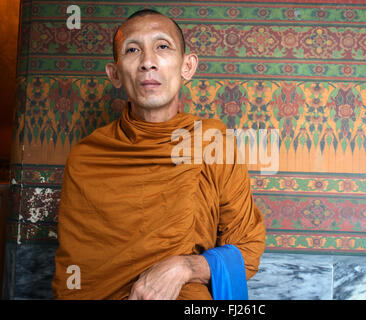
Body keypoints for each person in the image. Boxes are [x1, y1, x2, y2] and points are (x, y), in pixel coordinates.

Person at [51, 8, 266, 300]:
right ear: (114, 73)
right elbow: (73, 278)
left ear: (187, 66)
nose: (148, 63)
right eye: (132, 50)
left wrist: (185, 268)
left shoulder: (212, 143)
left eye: (162, 46)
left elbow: (248, 247)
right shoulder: (87, 157)